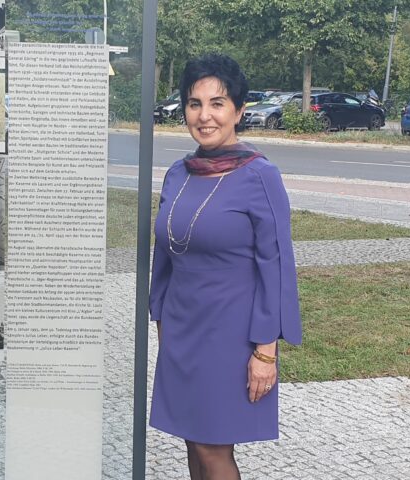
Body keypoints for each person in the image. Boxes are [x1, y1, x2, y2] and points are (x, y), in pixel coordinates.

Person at [149, 53, 301, 479]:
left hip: (231, 336)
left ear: (239, 110)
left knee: (213, 449)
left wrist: (266, 353)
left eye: (217, 103)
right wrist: (159, 318)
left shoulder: (259, 176)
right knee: (192, 444)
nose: (205, 115)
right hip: (180, 331)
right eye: (195, 103)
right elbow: (165, 254)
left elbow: (276, 266)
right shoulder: (179, 174)